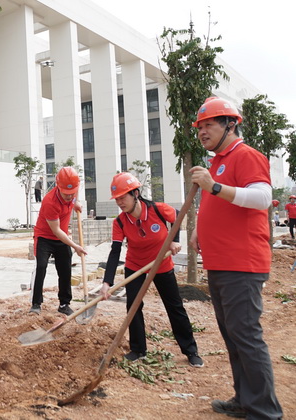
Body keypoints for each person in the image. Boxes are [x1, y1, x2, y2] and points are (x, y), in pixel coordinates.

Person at [189, 97, 282, 419]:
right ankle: (245, 399)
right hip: (219, 262)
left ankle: (265, 411)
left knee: (246, 336)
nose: (202, 131)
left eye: (209, 124)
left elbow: (261, 198)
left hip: (242, 263)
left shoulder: (246, 155)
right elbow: (221, 204)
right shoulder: (217, 162)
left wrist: (213, 187)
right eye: (199, 127)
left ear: (230, 124)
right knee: (233, 336)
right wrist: (201, 229)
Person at [101, 172, 203, 367]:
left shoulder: (157, 209)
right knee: (133, 306)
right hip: (135, 265)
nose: (120, 203)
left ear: (136, 193)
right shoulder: (120, 222)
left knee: (174, 307)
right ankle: (138, 349)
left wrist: (174, 241)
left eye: (123, 197)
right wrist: (107, 282)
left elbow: (177, 217)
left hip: (161, 264)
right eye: (117, 199)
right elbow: (114, 253)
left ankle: (191, 350)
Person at [29, 166, 86, 316]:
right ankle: (36, 303)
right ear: (58, 187)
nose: (69, 196)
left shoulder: (73, 189)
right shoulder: (50, 202)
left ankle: (64, 303)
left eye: (72, 193)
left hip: (62, 237)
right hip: (45, 237)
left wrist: (76, 202)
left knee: (65, 269)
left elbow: (74, 195)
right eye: (66, 194)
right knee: (41, 267)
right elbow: (56, 230)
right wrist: (75, 246)